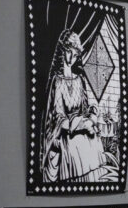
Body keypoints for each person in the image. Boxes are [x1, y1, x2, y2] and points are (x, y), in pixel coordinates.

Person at [40, 29, 109, 183]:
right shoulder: (57, 81)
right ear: (63, 50)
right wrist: (80, 125)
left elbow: (85, 108)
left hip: (82, 130)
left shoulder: (80, 80)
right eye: (69, 51)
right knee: (76, 146)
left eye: (75, 53)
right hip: (67, 134)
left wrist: (91, 117)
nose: (72, 57)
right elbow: (58, 118)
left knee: (94, 140)